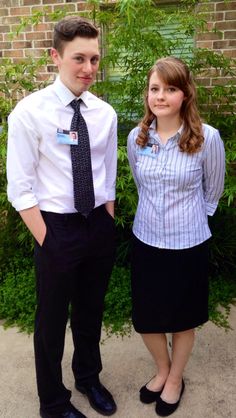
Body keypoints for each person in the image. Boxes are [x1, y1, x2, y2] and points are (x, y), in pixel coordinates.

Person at [7, 16, 117, 418]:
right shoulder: (29, 112)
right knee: (51, 321)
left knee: (91, 312)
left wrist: (106, 220)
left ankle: (88, 377)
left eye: (94, 59)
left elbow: (108, 176)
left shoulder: (104, 113)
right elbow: (19, 187)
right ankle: (53, 401)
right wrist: (48, 239)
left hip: (97, 227)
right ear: (56, 56)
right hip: (55, 228)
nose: (89, 69)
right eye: (79, 59)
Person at [127, 56, 225, 417]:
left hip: (188, 244)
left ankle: (176, 378)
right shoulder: (136, 139)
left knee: (183, 317)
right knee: (148, 318)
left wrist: (195, 219)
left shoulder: (206, 138)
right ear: (148, 94)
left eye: (170, 88)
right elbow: (140, 184)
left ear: (185, 94)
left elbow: (213, 191)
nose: (161, 96)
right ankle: (163, 369)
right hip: (147, 240)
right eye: (155, 89)